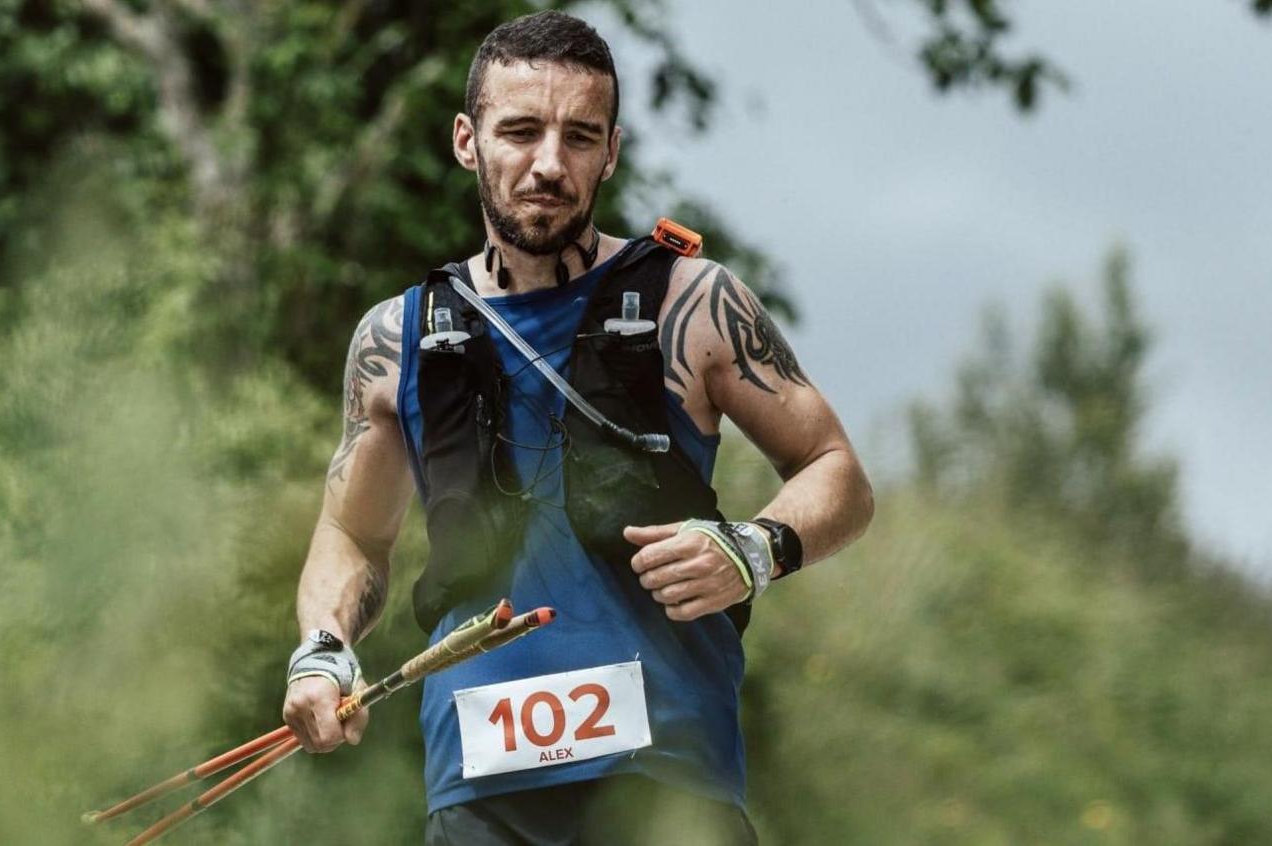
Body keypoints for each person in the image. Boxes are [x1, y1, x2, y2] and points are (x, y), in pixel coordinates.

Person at [281, 10, 873, 845]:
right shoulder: (396, 338)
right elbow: (352, 533)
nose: (549, 164)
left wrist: (754, 548)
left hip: (667, 786)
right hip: (478, 793)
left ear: (612, 151)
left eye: (580, 136)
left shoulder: (691, 300)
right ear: (466, 139)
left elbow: (835, 470)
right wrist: (323, 649)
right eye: (520, 131)